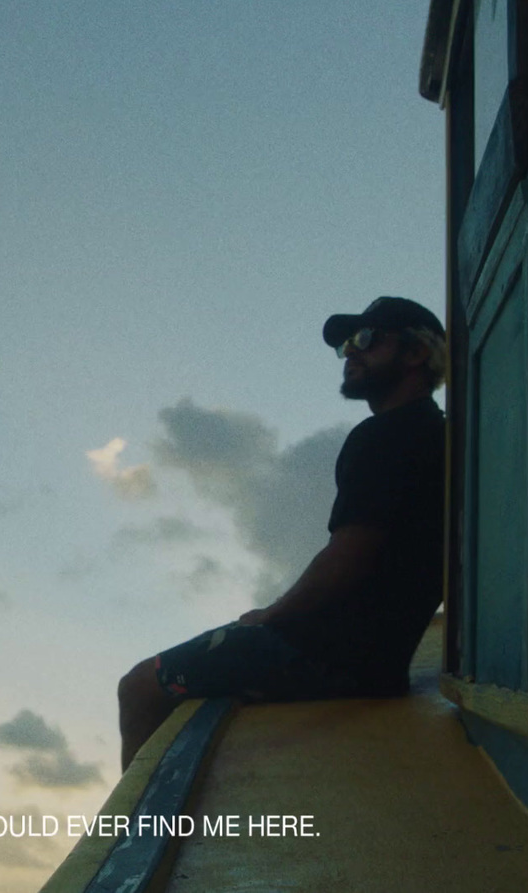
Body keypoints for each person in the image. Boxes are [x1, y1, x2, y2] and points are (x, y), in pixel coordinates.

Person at [117, 296, 447, 770]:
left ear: (416, 354)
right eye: (346, 346)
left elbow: (351, 555)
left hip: (328, 656)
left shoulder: (384, 437)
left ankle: (131, 838)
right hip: (381, 663)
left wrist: (272, 617)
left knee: (140, 686)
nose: (351, 352)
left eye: (367, 340)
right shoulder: (437, 433)